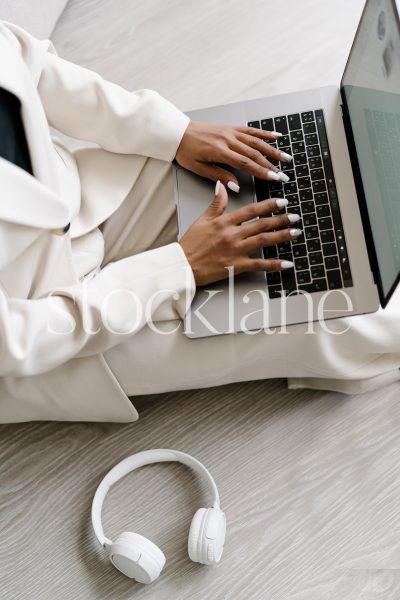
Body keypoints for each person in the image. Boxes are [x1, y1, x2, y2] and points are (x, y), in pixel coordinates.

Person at [0, 20, 399, 424]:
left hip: (86, 196)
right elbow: (17, 342)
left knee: (291, 167)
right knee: (343, 322)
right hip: (55, 331)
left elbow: (34, 65)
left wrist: (177, 133)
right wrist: (182, 265)